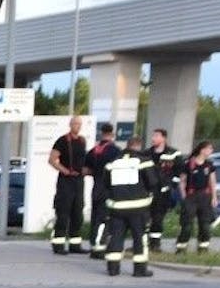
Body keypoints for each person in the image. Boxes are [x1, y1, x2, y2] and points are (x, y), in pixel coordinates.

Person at [102, 136, 160, 277]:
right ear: (139, 146)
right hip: (138, 208)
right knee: (139, 238)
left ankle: (113, 269)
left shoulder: (112, 163)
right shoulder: (144, 161)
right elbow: (152, 182)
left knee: (115, 237)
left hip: (117, 207)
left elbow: (106, 183)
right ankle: (140, 269)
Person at [48, 116, 87, 255]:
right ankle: (58, 244)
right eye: (75, 123)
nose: (78, 126)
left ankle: (75, 244)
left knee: (78, 212)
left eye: (80, 124)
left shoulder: (82, 141)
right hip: (66, 181)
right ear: (70, 125)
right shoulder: (62, 140)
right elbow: (52, 159)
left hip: (79, 181)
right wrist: (65, 171)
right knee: (63, 212)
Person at [83, 122, 121, 259]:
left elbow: (85, 171)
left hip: (96, 187)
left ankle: (94, 245)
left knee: (95, 218)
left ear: (101, 133)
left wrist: (96, 173)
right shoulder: (115, 151)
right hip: (108, 189)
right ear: (112, 134)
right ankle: (99, 248)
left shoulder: (93, 150)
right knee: (104, 218)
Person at [175, 141, 217, 253]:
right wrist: (184, 196)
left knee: (205, 224)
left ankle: (203, 247)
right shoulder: (188, 164)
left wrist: (214, 197)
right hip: (191, 196)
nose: (211, 151)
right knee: (187, 224)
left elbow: (212, 182)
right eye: (209, 148)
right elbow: (182, 181)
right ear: (202, 150)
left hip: (205, 197)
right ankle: (181, 247)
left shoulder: (209, 165)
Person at [145, 128, 181, 254]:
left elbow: (178, 171)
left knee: (158, 218)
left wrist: (172, 185)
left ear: (163, 138)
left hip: (164, 191)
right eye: (153, 135)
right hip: (148, 190)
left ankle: (155, 244)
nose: (153, 138)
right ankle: (143, 243)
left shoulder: (173, 154)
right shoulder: (147, 153)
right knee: (144, 217)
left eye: (156, 136)